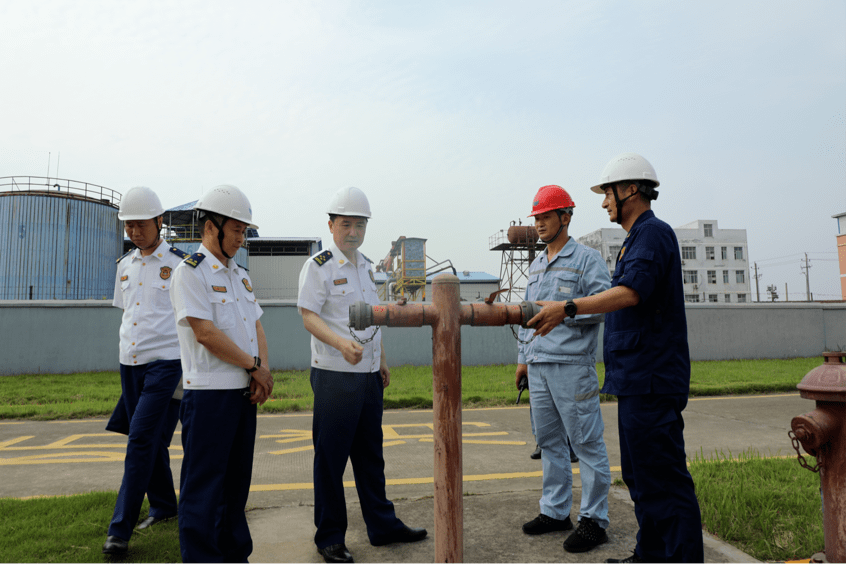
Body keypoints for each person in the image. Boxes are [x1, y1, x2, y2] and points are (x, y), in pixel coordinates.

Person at [528, 154, 704, 564]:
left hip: (652, 376)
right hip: (634, 376)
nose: (604, 202)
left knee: (663, 478)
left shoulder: (653, 234)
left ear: (630, 190)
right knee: (641, 477)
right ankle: (651, 554)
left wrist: (567, 307)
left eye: (607, 193)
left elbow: (630, 292)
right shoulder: (635, 239)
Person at [297, 186, 427, 564]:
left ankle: (382, 526)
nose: (353, 231)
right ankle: (330, 537)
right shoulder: (318, 266)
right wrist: (339, 344)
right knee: (331, 460)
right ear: (331, 225)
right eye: (346, 224)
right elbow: (308, 316)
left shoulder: (367, 266)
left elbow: (373, 318)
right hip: (335, 375)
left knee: (371, 456)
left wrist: (381, 359)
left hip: (368, 375)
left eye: (359, 225)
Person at [169, 184, 273, 563]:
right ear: (211, 227)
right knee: (203, 490)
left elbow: (256, 325)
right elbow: (205, 332)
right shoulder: (189, 273)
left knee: (235, 486)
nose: (242, 238)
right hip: (210, 396)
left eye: (244, 231)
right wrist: (255, 367)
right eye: (237, 230)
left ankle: (235, 555)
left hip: (242, 393)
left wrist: (262, 371)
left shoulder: (240, 275)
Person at [516, 185, 612, 554]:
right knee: (550, 443)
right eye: (536, 217)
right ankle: (555, 511)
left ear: (565, 217)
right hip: (538, 366)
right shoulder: (537, 264)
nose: (539, 223)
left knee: (586, 443)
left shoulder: (587, 259)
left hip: (572, 366)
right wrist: (523, 360)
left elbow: (602, 306)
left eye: (546, 216)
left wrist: (566, 310)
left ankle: (594, 520)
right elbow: (528, 316)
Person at [102, 186, 185, 555]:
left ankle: (119, 531)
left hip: (166, 364)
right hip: (130, 363)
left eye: (140, 224)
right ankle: (166, 506)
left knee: (139, 441)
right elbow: (128, 314)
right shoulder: (124, 266)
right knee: (151, 441)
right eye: (128, 226)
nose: (134, 232)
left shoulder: (182, 266)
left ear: (159, 221)